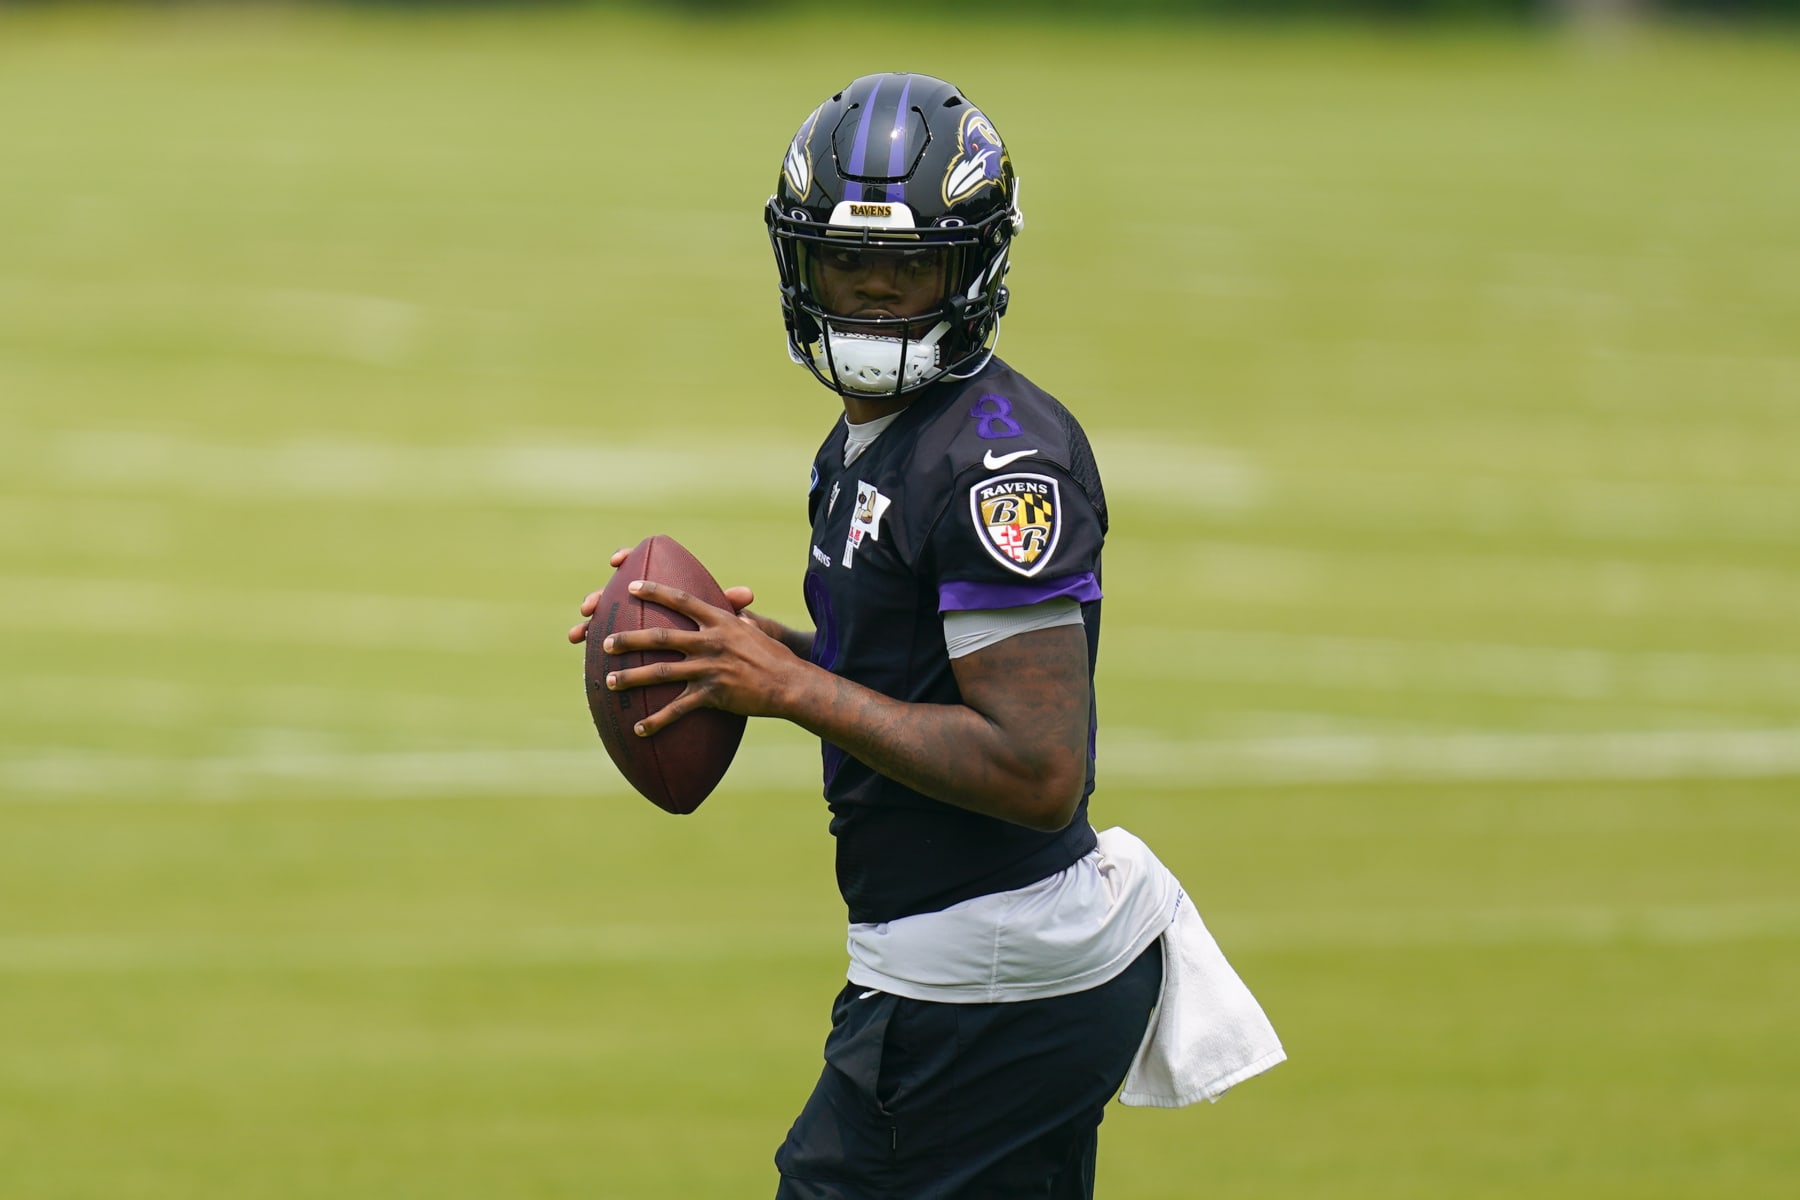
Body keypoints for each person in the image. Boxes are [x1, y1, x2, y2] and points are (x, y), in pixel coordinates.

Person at [570, 73, 1282, 1199]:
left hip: (985, 984)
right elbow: (905, 678)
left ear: (974, 270)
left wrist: (793, 692)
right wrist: (728, 656)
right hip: (987, 971)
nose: (868, 300)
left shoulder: (1001, 465)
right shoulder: (871, 441)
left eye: (906, 273)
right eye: (843, 267)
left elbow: (1038, 767)